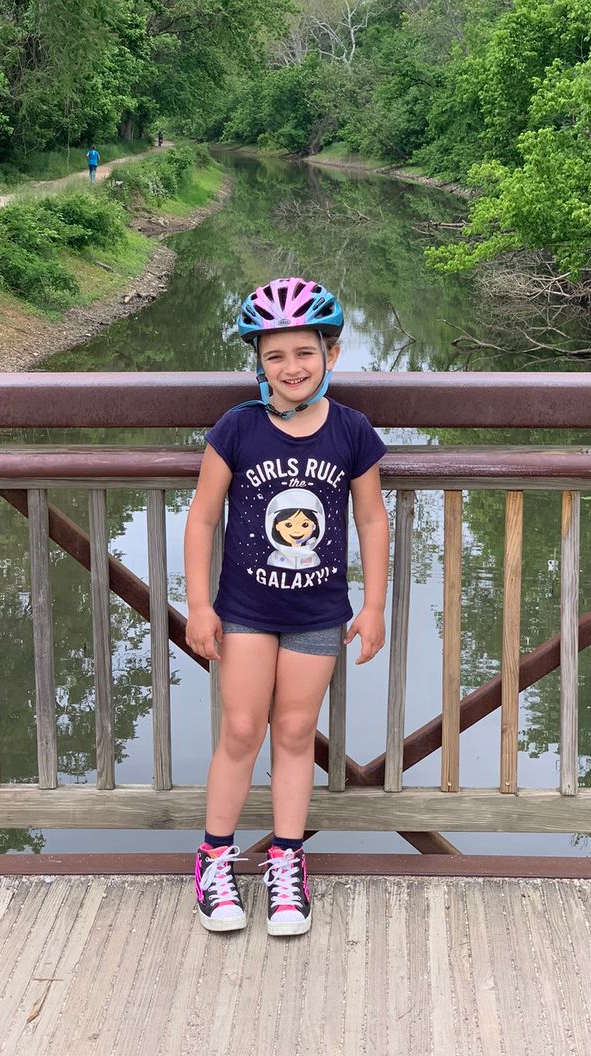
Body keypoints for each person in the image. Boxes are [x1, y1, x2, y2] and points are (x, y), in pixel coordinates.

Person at [185, 277, 389, 937]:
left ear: (331, 353)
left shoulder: (352, 431)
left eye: (304, 352)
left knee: (297, 734)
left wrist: (374, 605)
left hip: (318, 615)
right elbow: (202, 516)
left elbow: (372, 519)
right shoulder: (237, 428)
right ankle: (214, 860)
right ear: (258, 362)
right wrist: (198, 605)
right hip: (244, 610)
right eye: (275, 356)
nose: (291, 367)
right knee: (243, 729)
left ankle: (286, 864)